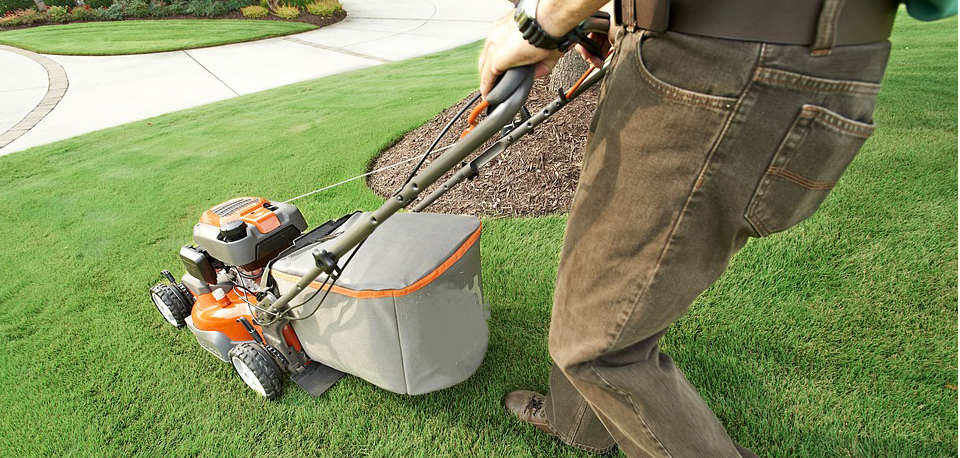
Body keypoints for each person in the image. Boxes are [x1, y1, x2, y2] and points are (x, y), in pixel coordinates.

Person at [478, 0, 956, 456]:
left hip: (727, 60)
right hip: (760, 52)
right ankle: (577, 422)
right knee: (614, 284)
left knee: (596, 344)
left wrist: (540, 20)